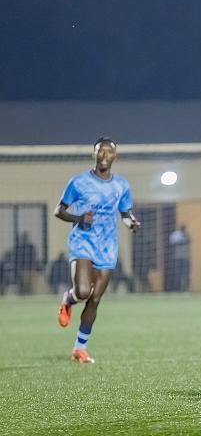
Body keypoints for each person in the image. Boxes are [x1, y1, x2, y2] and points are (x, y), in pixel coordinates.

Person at [55, 137, 141, 363]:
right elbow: (59, 210)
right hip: (83, 242)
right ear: (93, 154)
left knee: (94, 300)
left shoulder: (121, 185)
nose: (104, 155)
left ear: (115, 156)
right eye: (100, 151)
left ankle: (79, 348)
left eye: (109, 152)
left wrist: (131, 223)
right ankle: (68, 299)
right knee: (83, 291)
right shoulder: (78, 182)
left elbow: (125, 213)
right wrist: (78, 218)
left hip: (107, 247)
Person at [167, 224, 191, 292]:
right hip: (177, 258)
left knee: (185, 274)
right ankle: (176, 289)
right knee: (177, 274)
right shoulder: (175, 235)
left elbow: (189, 240)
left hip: (185, 257)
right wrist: (181, 241)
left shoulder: (187, 234)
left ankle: (185, 289)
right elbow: (172, 242)